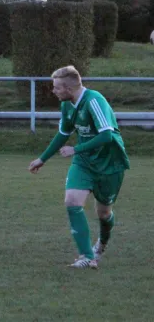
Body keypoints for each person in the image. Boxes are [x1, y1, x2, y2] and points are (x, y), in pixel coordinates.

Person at [28, 66, 129, 269]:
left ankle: (101, 244)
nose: (53, 91)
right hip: (84, 162)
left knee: (104, 213)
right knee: (72, 201)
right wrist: (42, 158)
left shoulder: (94, 100)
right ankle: (87, 256)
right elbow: (63, 134)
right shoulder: (67, 105)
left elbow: (106, 136)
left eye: (56, 87)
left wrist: (76, 149)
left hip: (109, 163)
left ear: (68, 88)